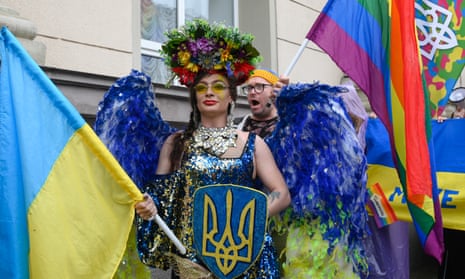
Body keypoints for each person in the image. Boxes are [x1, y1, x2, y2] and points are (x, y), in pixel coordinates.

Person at [133, 19, 291, 278]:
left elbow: (281, 194)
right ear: (194, 96)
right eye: (201, 87)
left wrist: (248, 221)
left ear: (231, 96)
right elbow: (158, 197)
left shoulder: (252, 143)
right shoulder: (176, 143)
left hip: (247, 258)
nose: (209, 92)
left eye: (218, 87)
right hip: (193, 263)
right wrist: (149, 206)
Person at [237, 69, 288, 138]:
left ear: (274, 91)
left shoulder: (288, 126)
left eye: (259, 86)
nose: (252, 92)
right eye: (249, 88)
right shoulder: (236, 125)